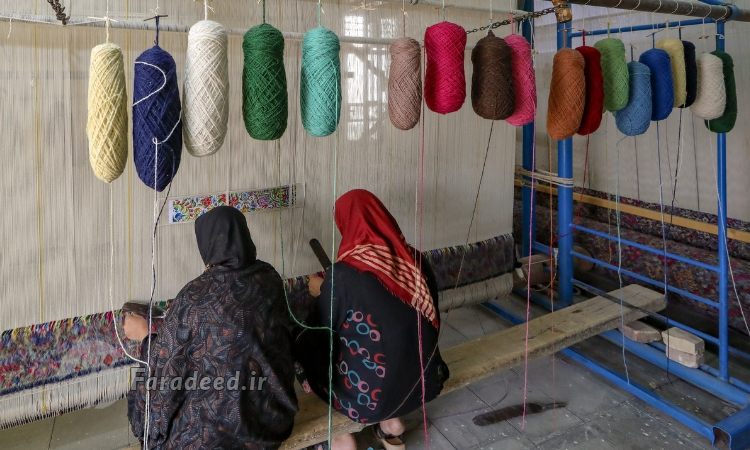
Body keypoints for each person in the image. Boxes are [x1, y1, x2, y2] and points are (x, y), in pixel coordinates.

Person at [124, 206, 298, 449]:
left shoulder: (195, 297)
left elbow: (164, 376)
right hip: (271, 424)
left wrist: (145, 337)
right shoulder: (269, 278)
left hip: (217, 440)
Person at [294, 189, 449, 450]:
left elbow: (323, 327)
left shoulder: (345, 275)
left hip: (370, 401)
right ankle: (392, 425)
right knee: (385, 342)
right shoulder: (415, 259)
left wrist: (324, 292)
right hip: (428, 382)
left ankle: (341, 437)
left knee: (304, 342)